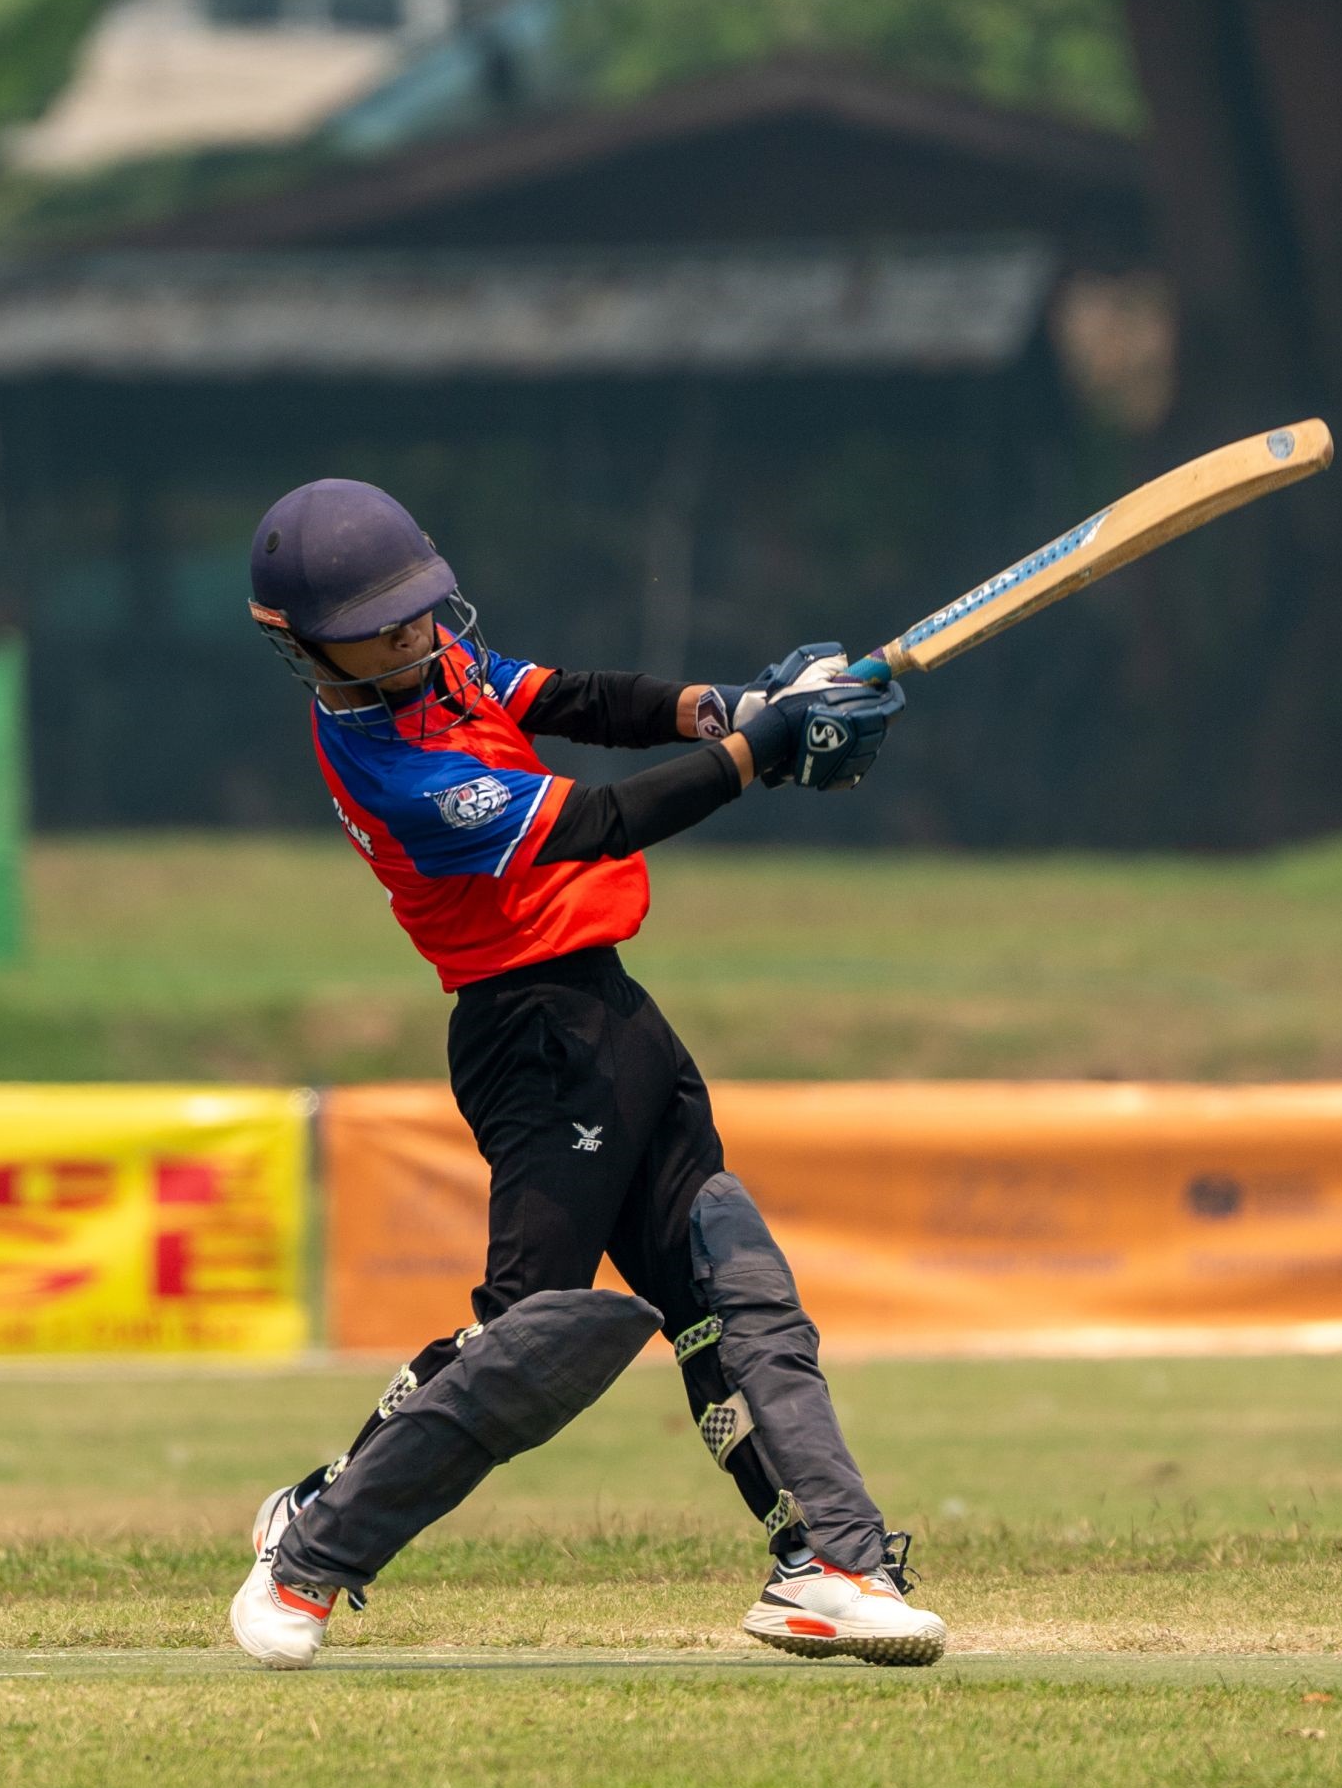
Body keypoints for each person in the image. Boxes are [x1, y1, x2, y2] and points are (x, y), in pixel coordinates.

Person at [228, 478, 944, 1670]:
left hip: (614, 1014)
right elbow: (601, 822)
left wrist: (727, 703)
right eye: (382, 628)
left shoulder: (434, 665)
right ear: (307, 649)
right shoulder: (394, 771)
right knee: (532, 1336)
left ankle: (829, 1563)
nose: (416, 635)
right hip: (533, 1041)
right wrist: (760, 749)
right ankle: (310, 1547)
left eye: (419, 608)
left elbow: (572, 698)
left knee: (733, 1277)